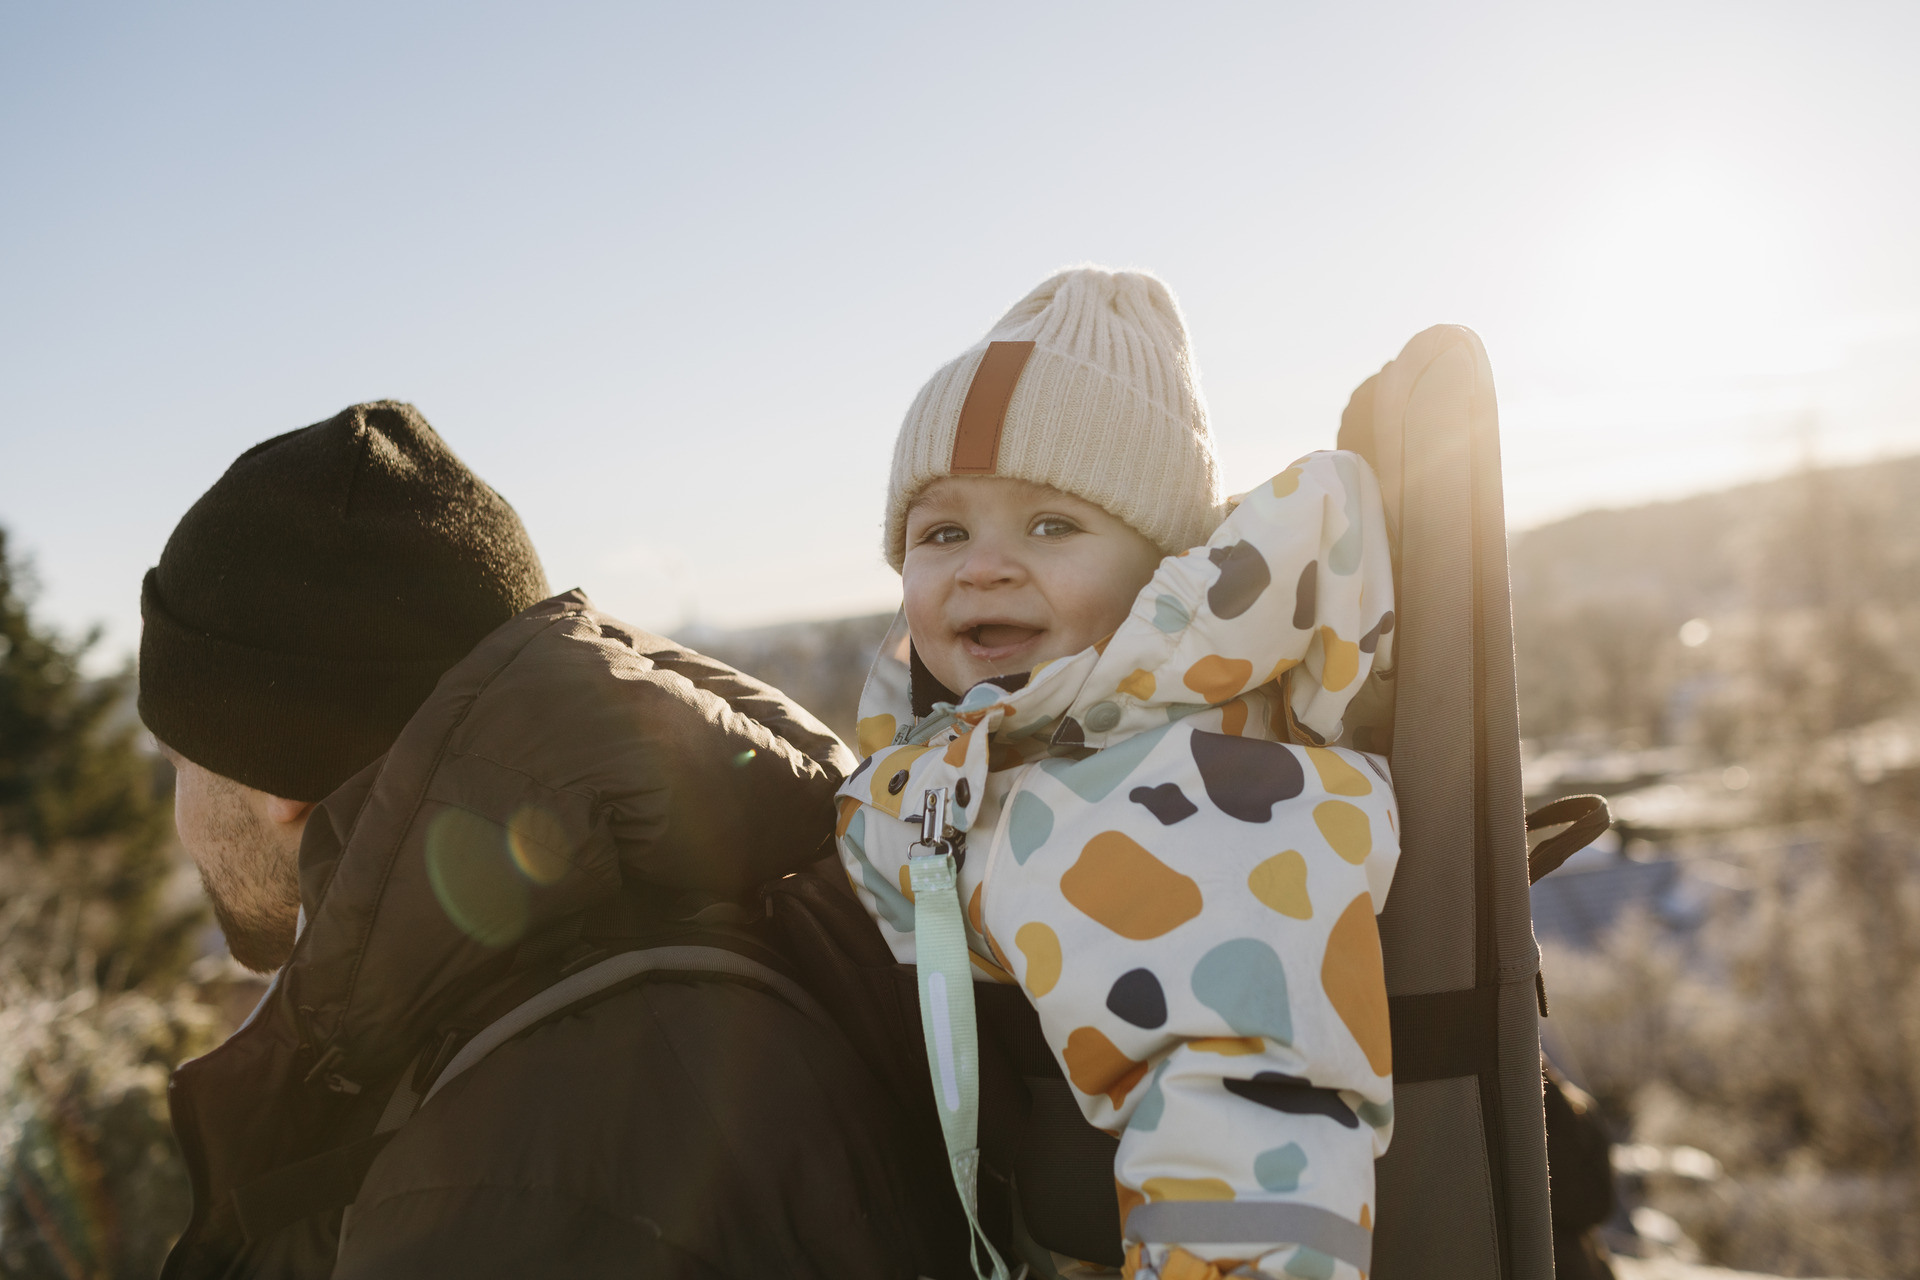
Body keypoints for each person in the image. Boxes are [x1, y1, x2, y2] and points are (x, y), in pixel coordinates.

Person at [140, 401, 927, 1279]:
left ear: (273, 775)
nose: (178, 815)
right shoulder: (595, 989)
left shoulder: (510, 1187)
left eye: (178, 763)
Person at [835, 268, 1401, 1279]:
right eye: (943, 532)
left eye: (1052, 525)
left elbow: (1246, 1122)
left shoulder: (1196, 806)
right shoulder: (998, 750)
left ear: (1163, 569)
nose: (983, 566)